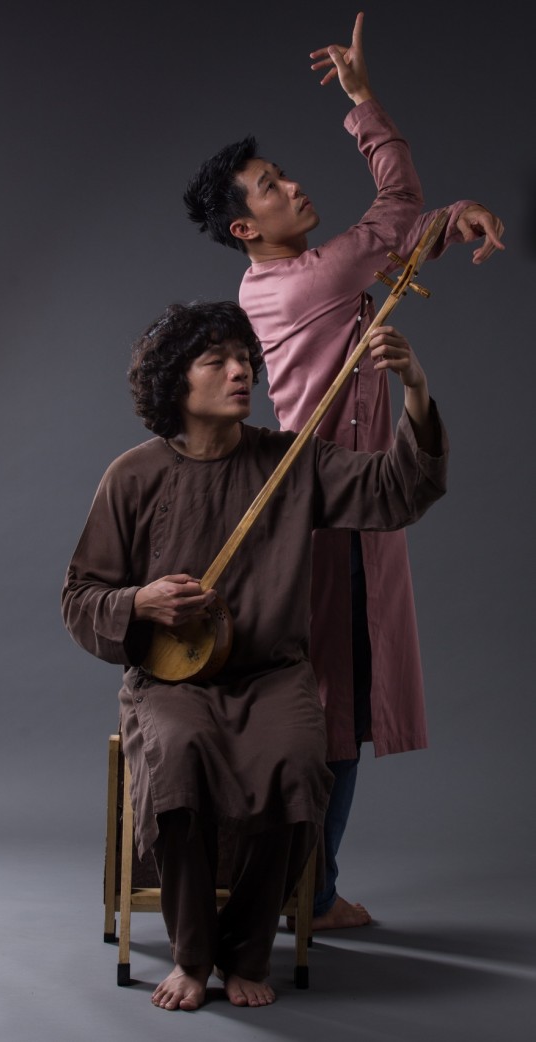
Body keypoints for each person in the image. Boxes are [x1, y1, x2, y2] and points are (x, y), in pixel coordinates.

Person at [183, 11, 504, 932]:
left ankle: (301, 888)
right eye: (271, 187)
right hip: (331, 515)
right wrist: (363, 103)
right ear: (246, 225)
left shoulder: (283, 281)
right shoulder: (302, 281)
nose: (293, 186)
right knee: (337, 704)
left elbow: (393, 249)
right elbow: (395, 210)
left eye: (282, 174)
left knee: (338, 699)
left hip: (340, 505)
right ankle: (309, 895)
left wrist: (453, 221)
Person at [61, 299, 448, 1011]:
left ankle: (244, 951)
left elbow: (399, 491)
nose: (241, 371)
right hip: (170, 684)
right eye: (218, 361)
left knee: (298, 763)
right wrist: (140, 603)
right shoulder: (132, 475)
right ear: (176, 381)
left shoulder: (292, 461)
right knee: (177, 758)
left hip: (274, 677)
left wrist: (416, 389)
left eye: (245, 359)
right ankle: (191, 955)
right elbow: (80, 597)